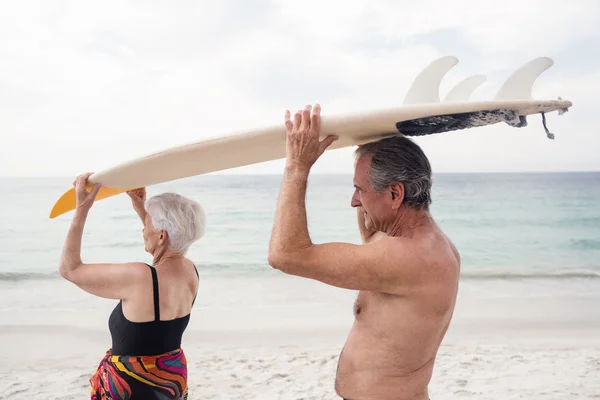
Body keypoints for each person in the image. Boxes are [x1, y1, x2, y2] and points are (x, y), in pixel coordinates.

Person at [268, 104, 460, 400]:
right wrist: (366, 142)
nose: (354, 202)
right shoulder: (410, 238)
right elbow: (371, 231)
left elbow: (286, 255)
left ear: (395, 194)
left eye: (360, 190)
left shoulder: (408, 257)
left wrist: (297, 166)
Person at [58, 173, 205, 400]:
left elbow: (70, 269)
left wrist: (82, 209)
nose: (143, 229)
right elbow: (166, 245)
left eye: (147, 224)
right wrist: (142, 210)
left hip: (134, 387)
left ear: (162, 235)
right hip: (170, 381)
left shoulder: (140, 277)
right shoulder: (190, 272)